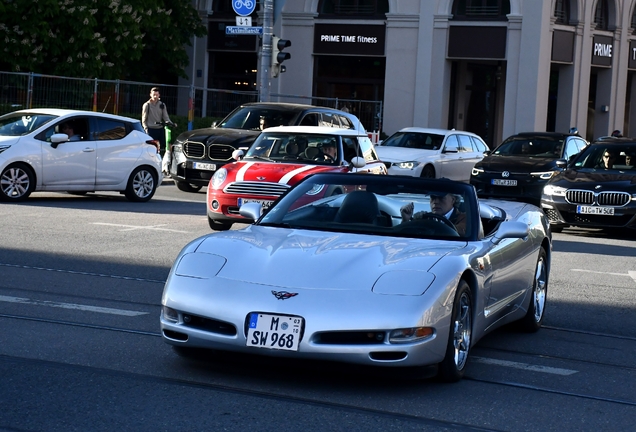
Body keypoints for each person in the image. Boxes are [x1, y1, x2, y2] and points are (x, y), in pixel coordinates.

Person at [400, 192, 467, 235]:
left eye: (441, 198)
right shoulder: (426, 218)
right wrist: (406, 220)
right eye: (433, 197)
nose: (435, 202)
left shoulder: (465, 219)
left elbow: (459, 233)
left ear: (453, 200)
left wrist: (427, 224)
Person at [142, 87, 173, 156]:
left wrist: (171, 123)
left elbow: (166, 117)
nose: (155, 96)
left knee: (166, 145)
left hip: (160, 129)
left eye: (157, 95)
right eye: (154, 95)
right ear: (150, 94)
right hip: (151, 129)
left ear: (159, 95)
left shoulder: (162, 105)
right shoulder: (147, 105)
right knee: (152, 148)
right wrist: (146, 129)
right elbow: (144, 119)